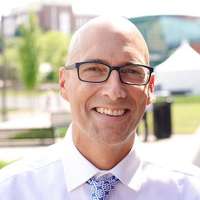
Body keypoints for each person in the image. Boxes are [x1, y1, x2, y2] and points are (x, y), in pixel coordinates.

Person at [0, 16, 200, 200]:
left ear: (150, 87)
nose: (114, 91)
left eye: (131, 71)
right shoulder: (11, 190)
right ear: (63, 84)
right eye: (94, 69)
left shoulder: (189, 191)